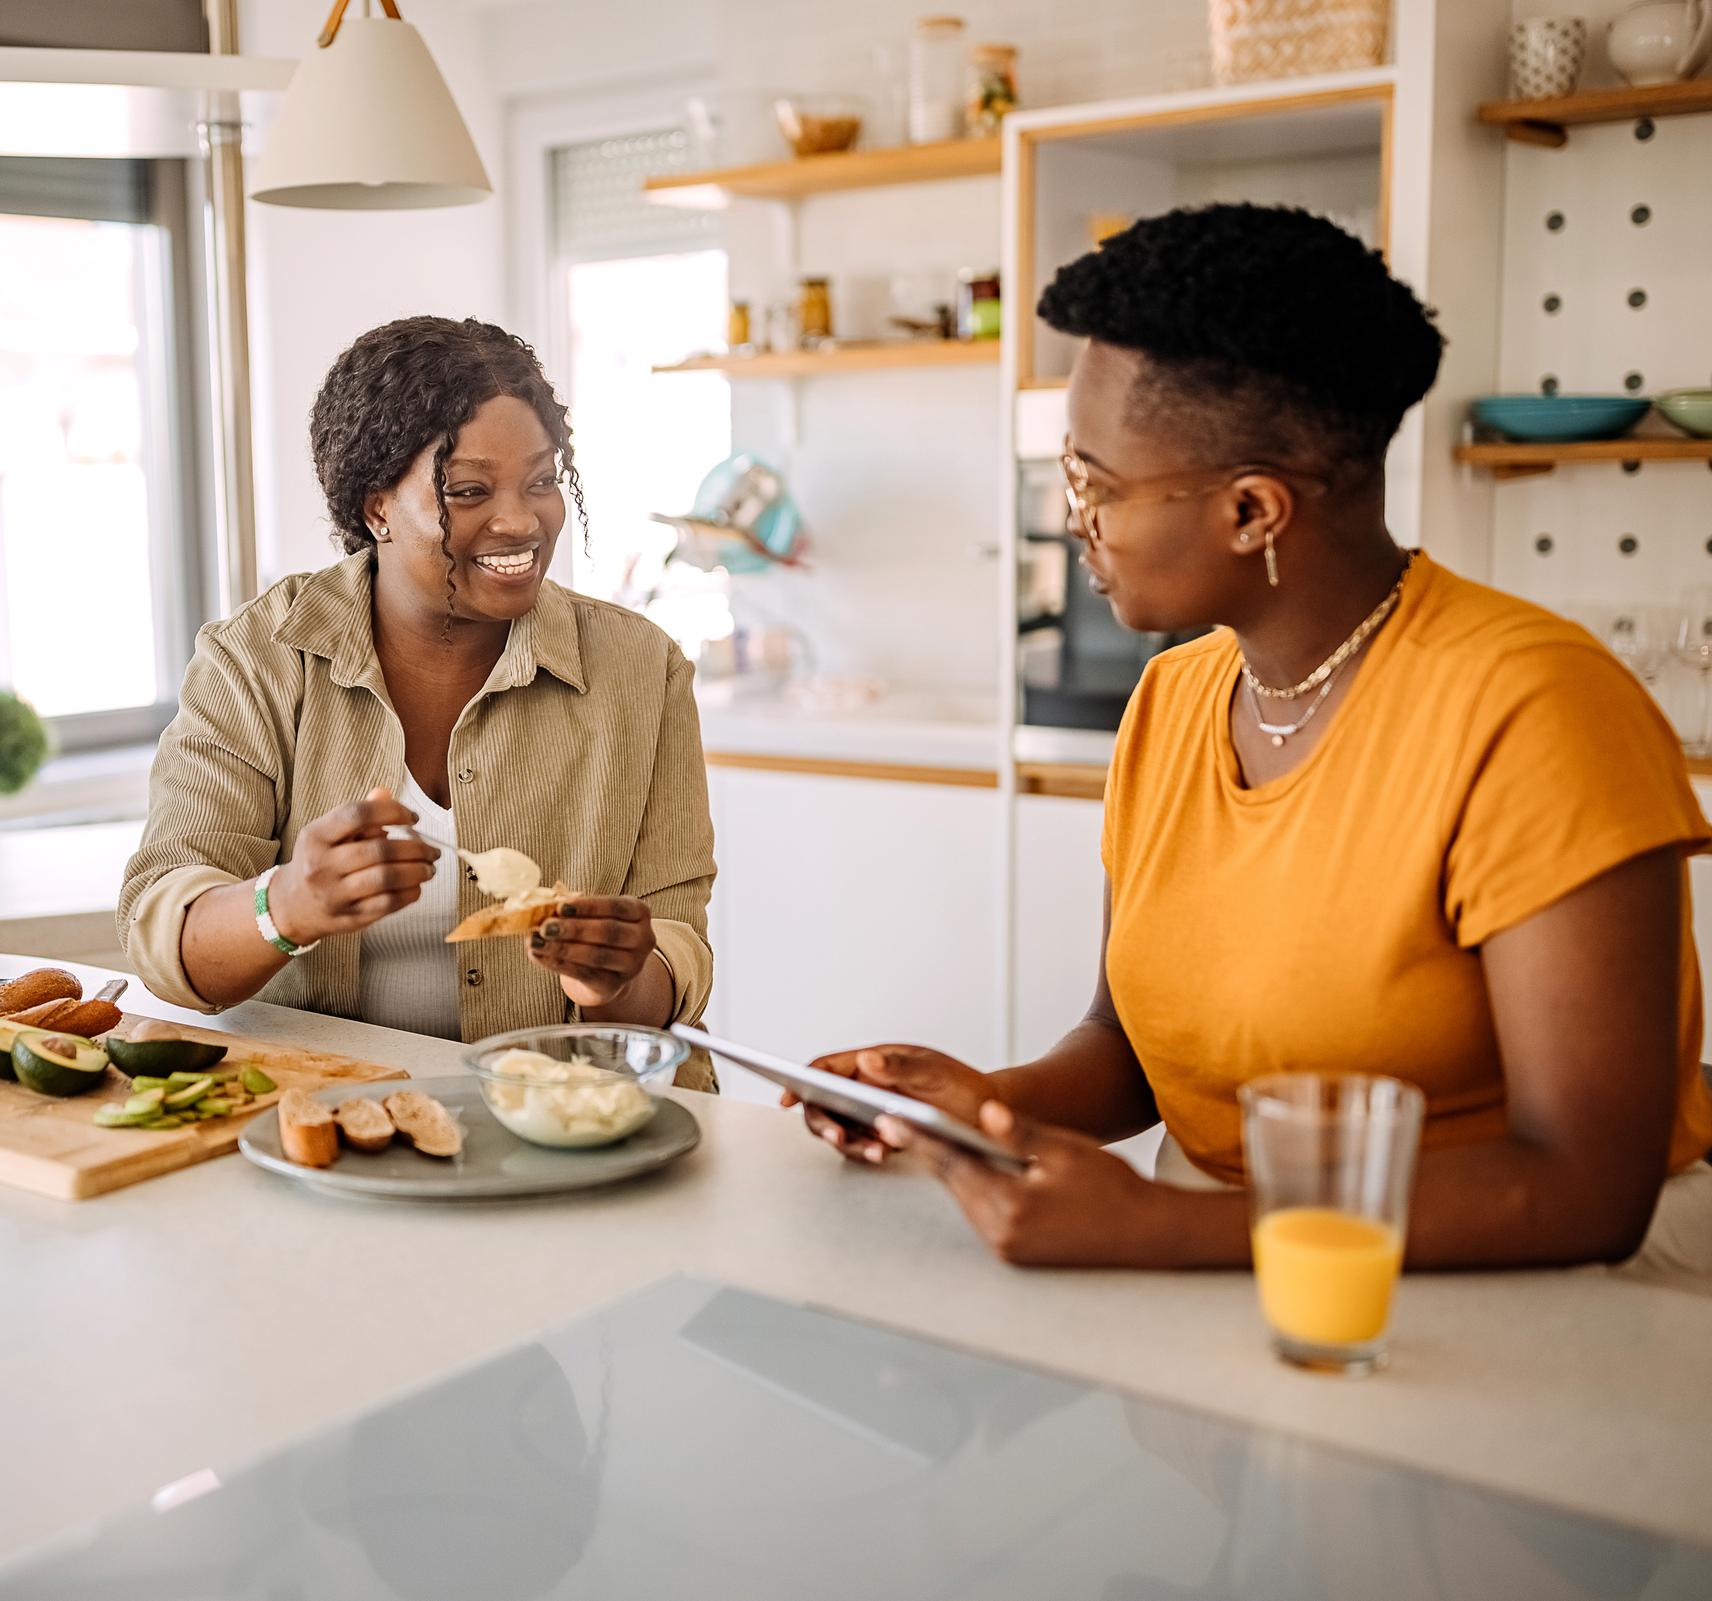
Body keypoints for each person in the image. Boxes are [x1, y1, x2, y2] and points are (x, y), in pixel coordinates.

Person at [797, 203, 1712, 1288]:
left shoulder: (1537, 711)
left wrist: (1160, 1228)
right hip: (1233, 1266)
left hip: (1519, 1290)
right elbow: (1133, 1048)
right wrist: (978, 1104)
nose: (1074, 518)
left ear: (1252, 511)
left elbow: (1584, 1189)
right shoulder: (1176, 699)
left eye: (1094, 484)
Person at [120, 316, 716, 1083]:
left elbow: (678, 954)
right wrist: (288, 904)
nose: (520, 520)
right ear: (375, 510)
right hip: (317, 1121)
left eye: (541, 480)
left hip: (567, 1126)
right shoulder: (259, 659)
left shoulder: (641, 670)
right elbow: (165, 937)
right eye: (468, 491)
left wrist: (617, 977)